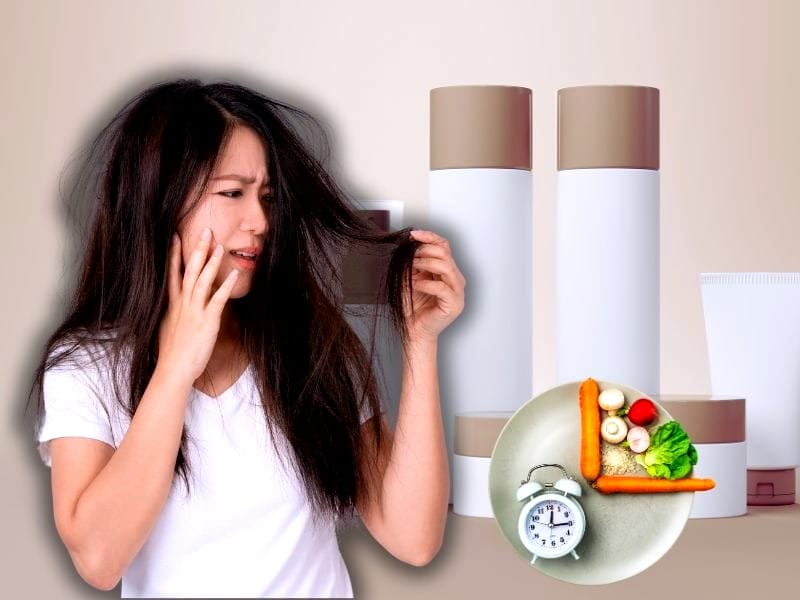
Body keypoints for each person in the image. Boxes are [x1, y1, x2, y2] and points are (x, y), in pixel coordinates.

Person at [26, 78, 465, 598]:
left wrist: (420, 343)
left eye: (267, 197)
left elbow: (413, 539)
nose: (259, 221)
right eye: (232, 193)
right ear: (160, 200)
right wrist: (174, 368)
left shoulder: (310, 346)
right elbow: (99, 559)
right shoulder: (86, 367)